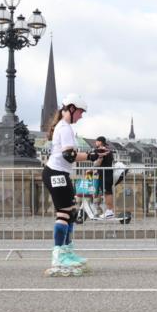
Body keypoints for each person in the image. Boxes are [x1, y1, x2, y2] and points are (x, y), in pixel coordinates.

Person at [42, 94, 108, 275]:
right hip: (55, 173)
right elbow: (69, 156)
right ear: (71, 109)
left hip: (60, 173)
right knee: (64, 213)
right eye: (80, 112)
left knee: (70, 213)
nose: (81, 116)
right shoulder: (65, 128)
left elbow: (70, 155)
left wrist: (93, 154)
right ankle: (59, 255)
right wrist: (92, 156)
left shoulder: (65, 127)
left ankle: (67, 252)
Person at [93, 136, 117, 219]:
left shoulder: (102, 150)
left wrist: (95, 165)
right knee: (107, 192)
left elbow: (98, 163)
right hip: (106, 173)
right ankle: (109, 211)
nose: (95, 143)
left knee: (107, 193)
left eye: (96, 141)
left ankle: (110, 211)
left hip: (105, 174)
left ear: (100, 142)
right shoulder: (107, 149)